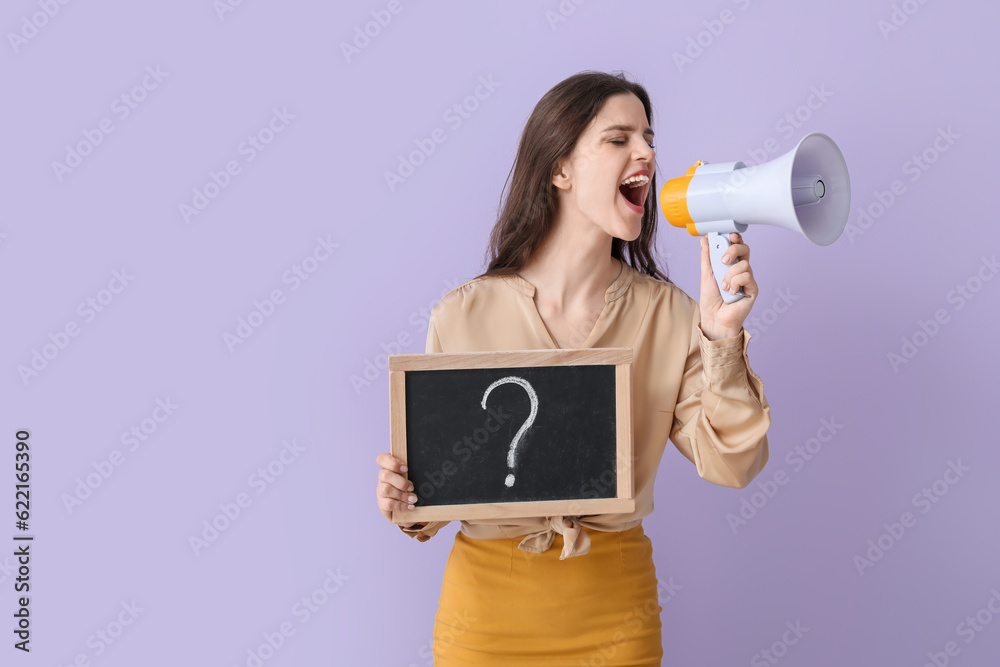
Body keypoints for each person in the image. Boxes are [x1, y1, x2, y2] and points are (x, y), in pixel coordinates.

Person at [375, 70, 771, 665]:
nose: (648, 153)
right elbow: (438, 491)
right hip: (483, 617)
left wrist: (721, 338)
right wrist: (404, 500)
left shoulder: (671, 316)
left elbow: (734, 464)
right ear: (560, 169)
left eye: (649, 137)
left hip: (615, 615)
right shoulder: (462, 313)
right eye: (619, 139)